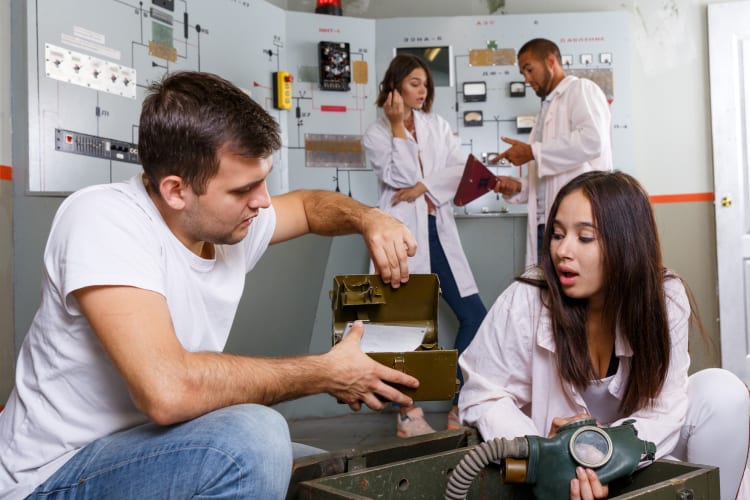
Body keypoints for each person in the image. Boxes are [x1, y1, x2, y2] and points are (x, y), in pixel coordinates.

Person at [0, 71, 425, 499]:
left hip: (149, 447)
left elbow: (309, 207)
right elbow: (167, 391)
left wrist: (370, 218)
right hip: (52, 476)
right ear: (176, 191)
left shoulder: (227, 223)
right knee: (254, 440)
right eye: (243, 189)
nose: (262, 200)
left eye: (264, 179)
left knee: (324, 471)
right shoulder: (103, 219)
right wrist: (324, 373)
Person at [458, 170, 750, 500]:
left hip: (639, 455)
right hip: (558, 474)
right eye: (556, 234)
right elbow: (482, 393)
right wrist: (545, 451)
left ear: (626, 243)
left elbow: (664, 409)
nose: (563, 251)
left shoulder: (664, 298)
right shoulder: (527, 296)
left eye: (584, 238)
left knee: (724, 393)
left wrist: (598, 453)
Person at [362, 54, 487, 437]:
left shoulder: (439, 125)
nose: (422, 90)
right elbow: (397, 174)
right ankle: (407, 413)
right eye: (414, 83)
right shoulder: (377, 134)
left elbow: (461, 167)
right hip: (401, 234)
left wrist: (423, 186)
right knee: (402, 326)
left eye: (425, 84)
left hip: (438, 233)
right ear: (394, 87)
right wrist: (399, 126)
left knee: (475, 317)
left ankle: (460, 405)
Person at [491, 38, 613, 266]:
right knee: (546, 297)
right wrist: (518, 186)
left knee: (573, 296)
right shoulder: (545, 113)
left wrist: (533, 152)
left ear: (550, 61)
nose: (527, 79)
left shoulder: (580, 90)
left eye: (529, 69)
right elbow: (547, 181)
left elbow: (593, 140)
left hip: (577, 224)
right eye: (522, 73)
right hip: (546, 225)